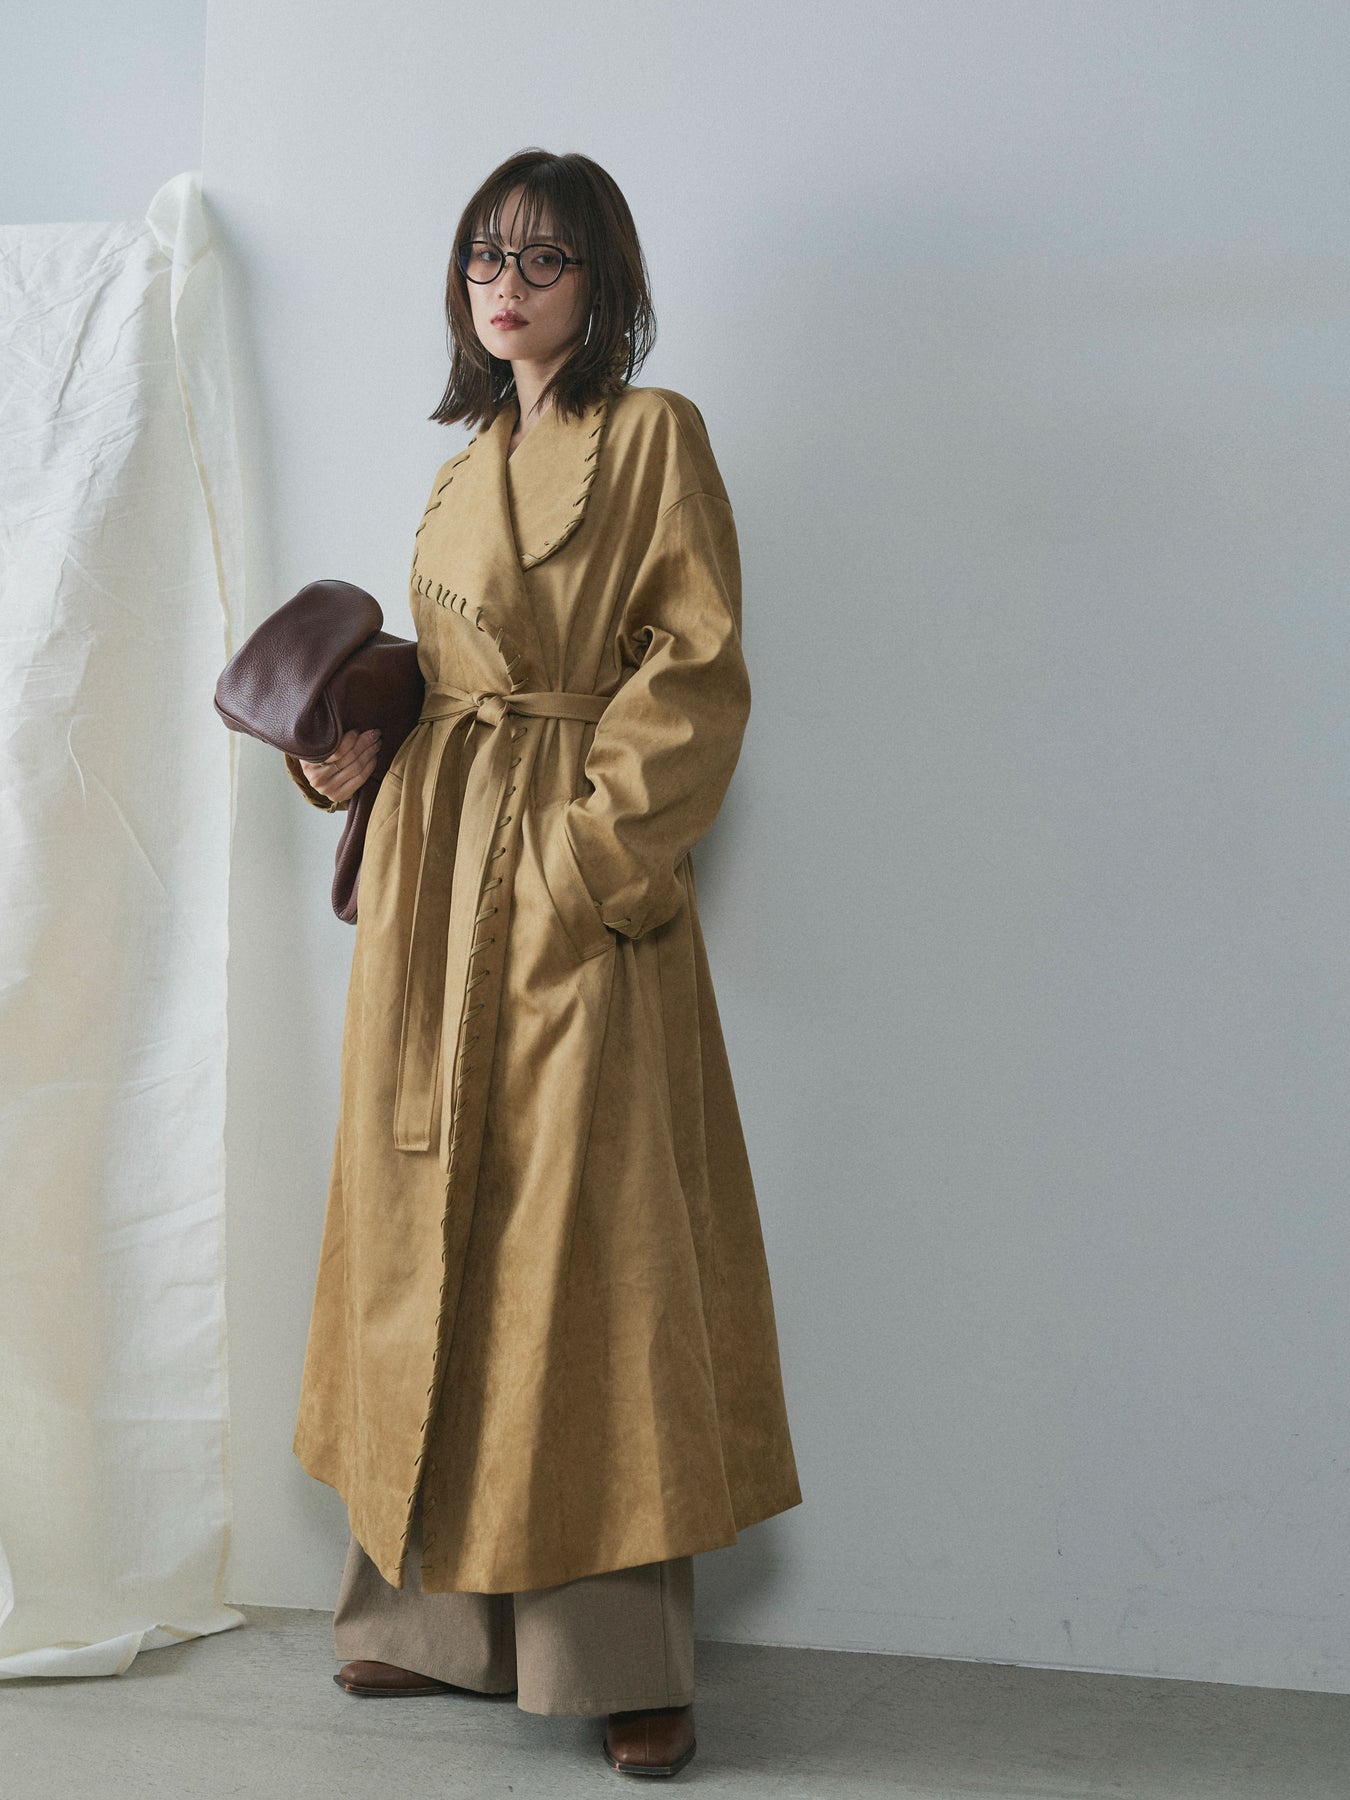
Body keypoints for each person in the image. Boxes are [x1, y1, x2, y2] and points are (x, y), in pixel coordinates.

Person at [282, 147, 801, 1779]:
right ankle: (428, 1625)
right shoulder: (460, 470)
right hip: (436, 890)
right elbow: (445, 687)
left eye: (543, 258)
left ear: (602, 283)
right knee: (418, 1226)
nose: (505, 284)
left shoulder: (654, 437)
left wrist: (588, 866)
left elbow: (694, 670)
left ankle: (616, 1657)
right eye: (482, 256)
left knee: (590, 1251)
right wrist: (345, 755)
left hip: (571, 891)